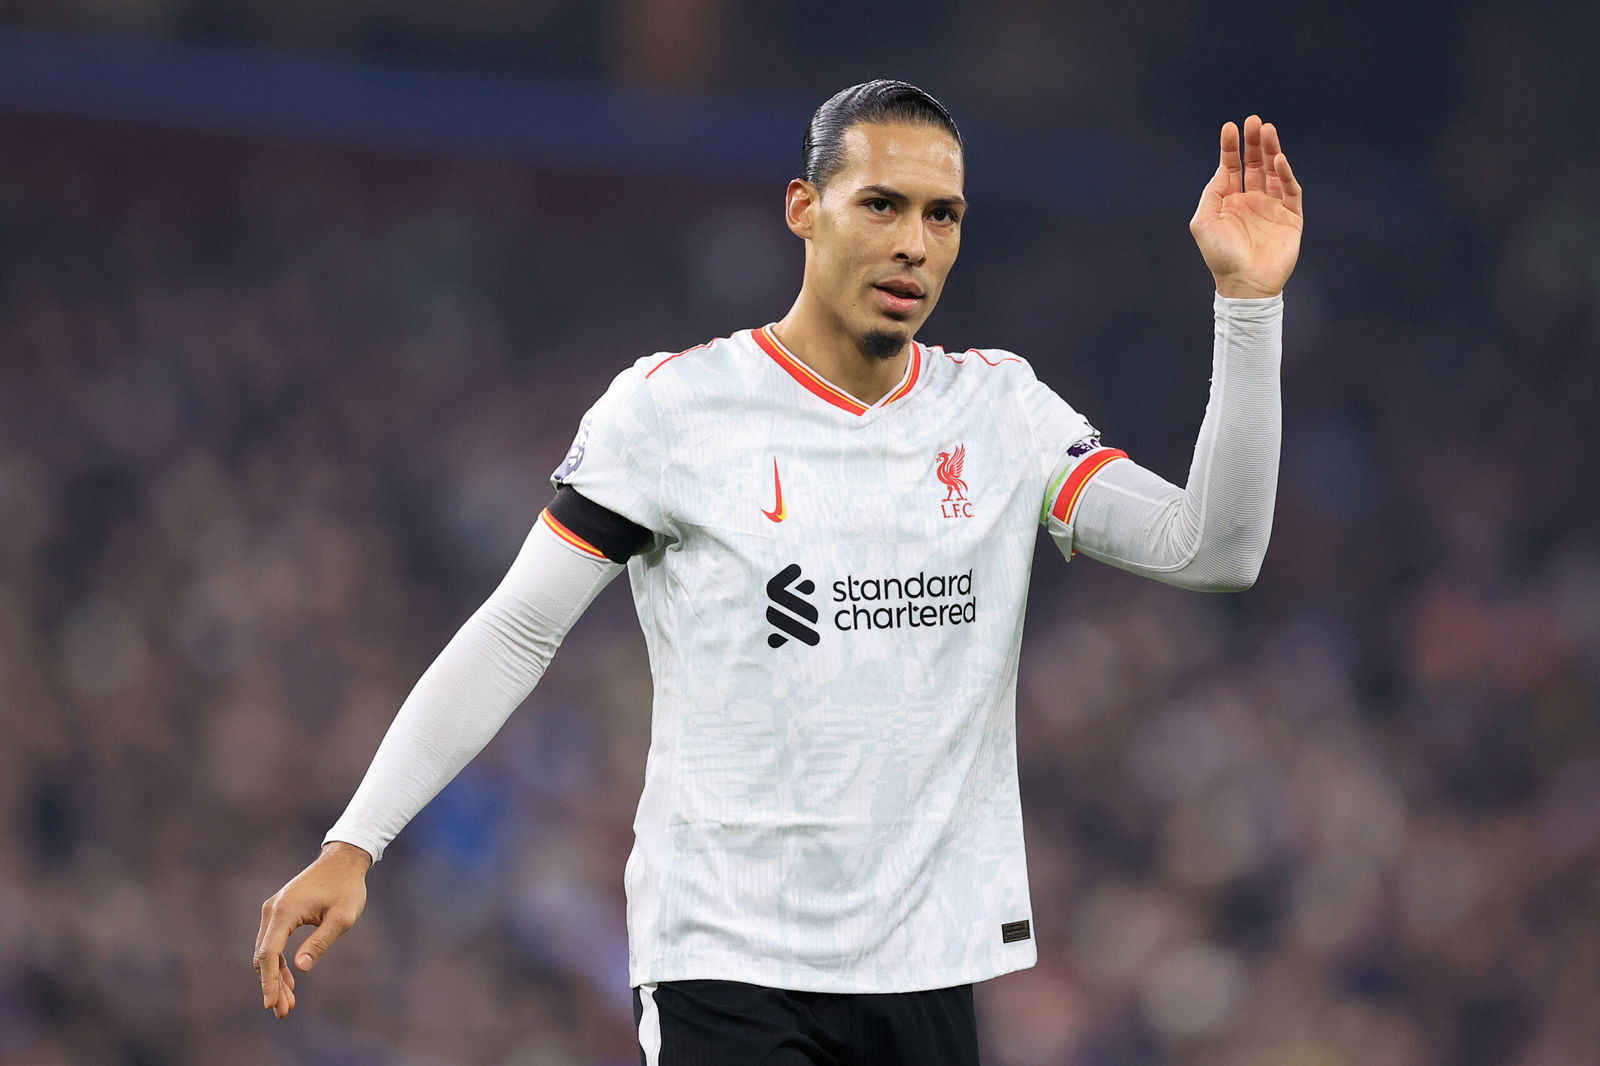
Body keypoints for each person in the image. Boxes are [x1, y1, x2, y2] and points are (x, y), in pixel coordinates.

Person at [254, 79, 1302, 1064]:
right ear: (805, 208)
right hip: (728, 961)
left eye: (941, 216)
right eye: (881, 204)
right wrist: (358, 839)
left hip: (929, 960)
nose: (913, 243)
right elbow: (517, 629)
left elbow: (1212, 548)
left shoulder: (1000, 412)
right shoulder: (673, 410)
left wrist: (1247, 306)